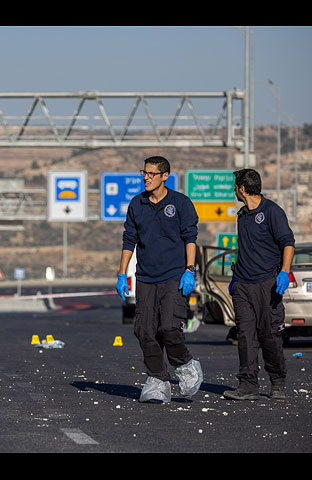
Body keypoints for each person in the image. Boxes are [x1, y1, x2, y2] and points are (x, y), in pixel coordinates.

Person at [116, 156, 203, 403]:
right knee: (143, 330)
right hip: (145, 278)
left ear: (165, 176)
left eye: (152, 174)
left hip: (175, 276)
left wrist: (189, 269)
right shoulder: (137, 204)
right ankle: (158, 381)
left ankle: (186, 365)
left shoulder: (181, 203)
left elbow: (190, 238)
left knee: (169, 328)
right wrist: (122, 273)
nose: (146, 177)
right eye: (144, 173)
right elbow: (128, 241)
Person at [223, 169, 295, 401]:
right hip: (243, 285)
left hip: (267, 284)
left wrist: (284, 272)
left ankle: (277, 382)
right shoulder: (242, 215)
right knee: (245, 335)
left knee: (270, 335)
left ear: (242, 189)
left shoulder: (272, 212)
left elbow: (288, 243)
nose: (234, 190)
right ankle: (248, 384)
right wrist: (235, 280)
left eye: (235, 187)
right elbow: (246, 249)